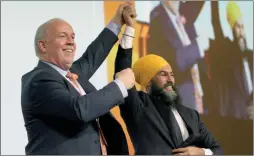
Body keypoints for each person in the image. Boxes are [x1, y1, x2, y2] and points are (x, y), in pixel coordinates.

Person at [21, 2, 137, 155]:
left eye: (73, 37)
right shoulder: (38, 80)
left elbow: (95, 53)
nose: (71, 42)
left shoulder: (72, 73)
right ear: (43, 46)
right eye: (63, 36)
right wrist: (120, 84)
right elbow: (79, 109)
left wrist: (117, 21)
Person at [114, 8, 223, 152]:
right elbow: (123, 71)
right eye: (163, 74)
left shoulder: (192, 115)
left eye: (172, 74)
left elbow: (217, 150)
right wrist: (129, 29)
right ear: (149, 82)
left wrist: (201, 152)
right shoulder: (138, 108)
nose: (170, 79)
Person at [147, 0, 211, 114]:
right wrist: (198, 48)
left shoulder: (184, 12)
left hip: (201, 101)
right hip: (182, 105)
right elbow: (168, 62)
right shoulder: (157, 17)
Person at [207, 1, 253, 118]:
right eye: (237, 27)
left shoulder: (251, 56)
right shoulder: (228, 53)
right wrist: (214, 3)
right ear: (232, 29)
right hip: (236, 119)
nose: (241, 32)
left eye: (242, 27)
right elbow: (215, 23)